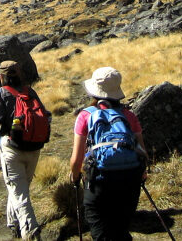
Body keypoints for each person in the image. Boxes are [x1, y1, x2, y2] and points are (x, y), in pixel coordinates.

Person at [69, 66, 147, 241]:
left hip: (98, 181)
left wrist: (75, 176)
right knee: (121, 230)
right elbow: (143, 152)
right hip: (130, 180)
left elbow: (76, 160)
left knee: (101, 233)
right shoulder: (129, 116)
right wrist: (141, 174)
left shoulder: (86, 116)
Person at [0, 60, 49, 240]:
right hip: (34, 147)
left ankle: (30, 231)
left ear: (1, 77)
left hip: (11, 147)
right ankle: (12, 223)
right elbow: (45, 114)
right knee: (19, 188)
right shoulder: (30, 92)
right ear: (19, 74)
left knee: (18, 191)